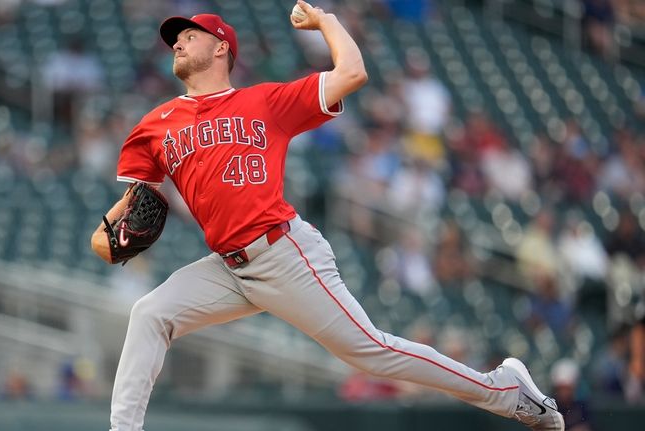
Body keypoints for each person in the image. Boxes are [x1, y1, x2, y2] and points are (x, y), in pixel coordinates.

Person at [90, 2, 564, 430]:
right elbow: (134, 205)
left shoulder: (264, 101)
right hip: (228, 268)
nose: (177, 41)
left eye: (190, 35)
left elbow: (352, 73)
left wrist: (327, 22)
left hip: (283, 254)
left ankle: (504, 390)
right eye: (176, 38)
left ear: (221, 49)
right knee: (150, 313)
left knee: (373, 353)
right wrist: (104, 237)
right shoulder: (155, 125)